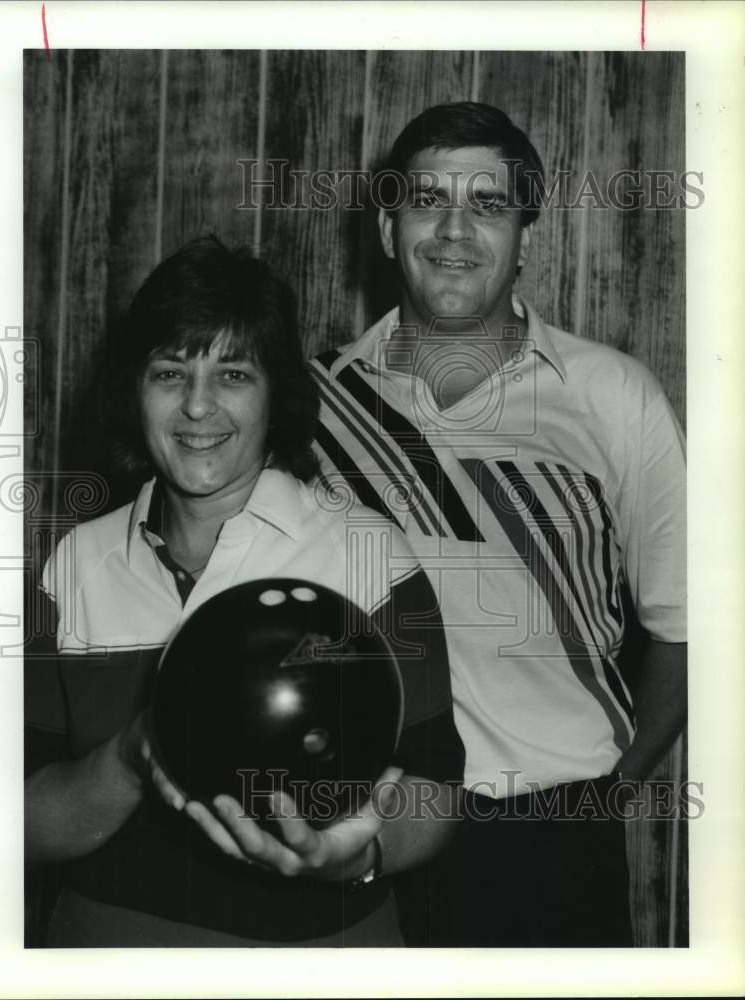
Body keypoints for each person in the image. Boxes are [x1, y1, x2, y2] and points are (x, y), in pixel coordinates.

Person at [311, 102, 687, 946]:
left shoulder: (613, 396)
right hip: (364, 828)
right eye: (426, 200)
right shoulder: (316, 402)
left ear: (526, 235)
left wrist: (603, 798)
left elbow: (688, 627)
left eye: (487, 204)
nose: (453, 230)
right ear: (385, 224)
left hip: (551, 845)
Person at [24, 235, 464, 947]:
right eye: (170, 373)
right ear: (134, 389)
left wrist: (348, 857)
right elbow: (13, 821)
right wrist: (135, 755)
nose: (198, 408)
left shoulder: (367, 553)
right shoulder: (74, 562)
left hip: (318, 955)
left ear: (277, 395)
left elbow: (436, 792)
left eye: (233, 374)